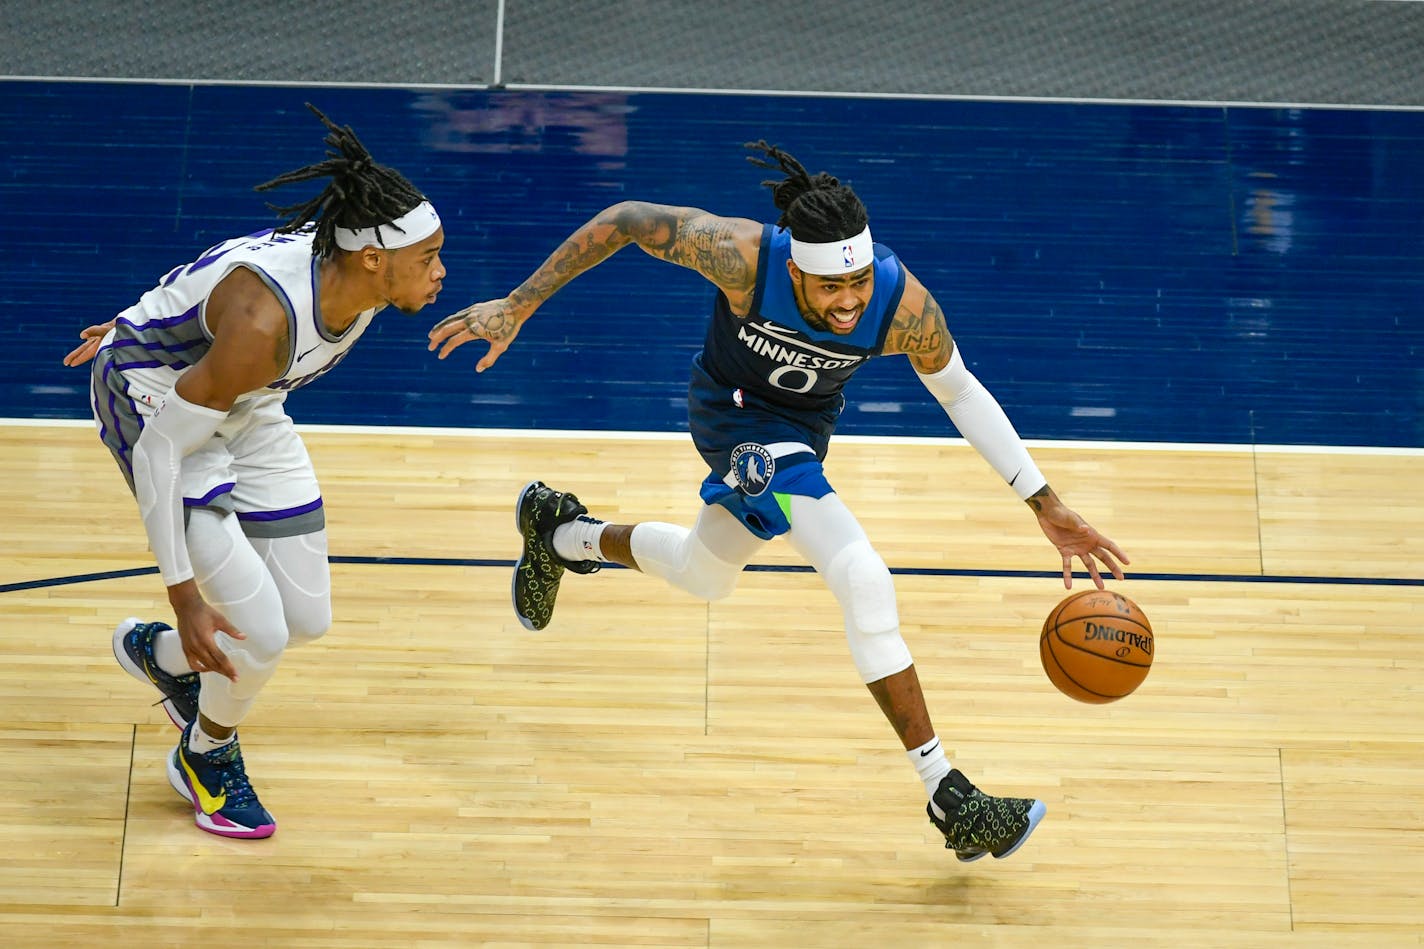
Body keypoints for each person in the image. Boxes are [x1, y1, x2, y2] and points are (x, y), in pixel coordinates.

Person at [427, 140, 1128, 862]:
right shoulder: (742, 258)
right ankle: (950, 793)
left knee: (705, 573)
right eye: (830, 290)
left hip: (801, 431)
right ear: (796, 270)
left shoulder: (901, 304)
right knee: (863, 575)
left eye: (857, 282)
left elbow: (958, 388)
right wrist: (516, 305)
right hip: (731, 415)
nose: (850, 301)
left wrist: (1044, 503)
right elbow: (632, 218)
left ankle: (561, 532)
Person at [63, 104, 447, 839]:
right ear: (374, 258)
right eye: (427, 258)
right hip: (160, 405)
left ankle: (163, 659)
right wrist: (182, 596)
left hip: (243, 398)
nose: (440, 271)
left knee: (305, 618)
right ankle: (205, 755)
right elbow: (161, 453)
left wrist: (146, 310)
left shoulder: (354, 276)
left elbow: (220, 267)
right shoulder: (266, 325)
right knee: (260, 633)